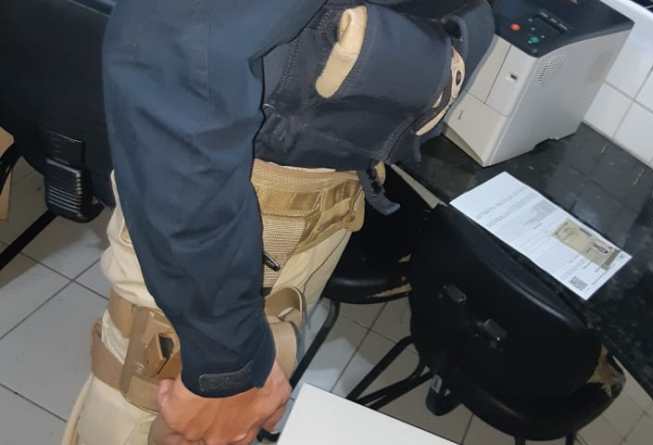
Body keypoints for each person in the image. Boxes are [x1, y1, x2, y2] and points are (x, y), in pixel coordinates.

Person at [61, 0, 492, 443]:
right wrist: (226, 362)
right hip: (221, 208)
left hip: (310, 189)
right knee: (150, 404)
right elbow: (182, 54)